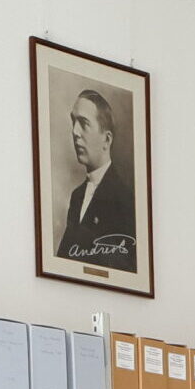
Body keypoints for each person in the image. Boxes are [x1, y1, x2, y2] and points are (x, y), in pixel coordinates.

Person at [55, 89, 136, 269]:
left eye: (83, 123)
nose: (75, 132)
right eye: (73, 122)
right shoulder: (77, 197)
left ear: (106, 140)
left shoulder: (125, 200)